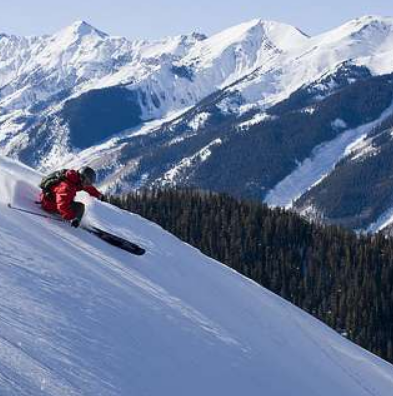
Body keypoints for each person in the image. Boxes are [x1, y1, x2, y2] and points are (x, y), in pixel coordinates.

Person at [39, 166, 106, 228]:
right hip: (48, 204)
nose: (88, 184)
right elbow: (62, 205)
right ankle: (76, 220)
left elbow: (88, 188)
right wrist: (71, 218)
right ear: (82, 178)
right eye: (87, 182)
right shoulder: (67, 186)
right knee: (80, 207)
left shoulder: (75, 180)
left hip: (51, 199)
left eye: (90, 183)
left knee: (75, 204)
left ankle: (76, 218)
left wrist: (99, 195)